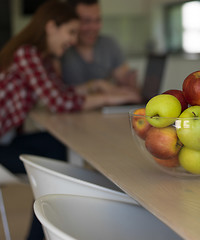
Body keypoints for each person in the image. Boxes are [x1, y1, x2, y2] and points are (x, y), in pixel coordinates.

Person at [0, 0, 140, 239]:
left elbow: (62, 92)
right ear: (51, 26)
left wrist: (99, 87)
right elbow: (59, 103)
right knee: (54, 164)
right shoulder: (26, 54)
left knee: (59, 150)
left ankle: (48, 227)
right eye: (71, 32)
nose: (74, 40)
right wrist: (109, 97)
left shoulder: (39, 57)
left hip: (8, 140)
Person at [61, 0, 139, 94]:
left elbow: (124, 79)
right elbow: (57, 94)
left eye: (97, 20)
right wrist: (96, 85)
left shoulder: (109, 45)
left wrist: (129, 81)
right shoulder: (62, 48)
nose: (94, 28)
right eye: (86, 21)